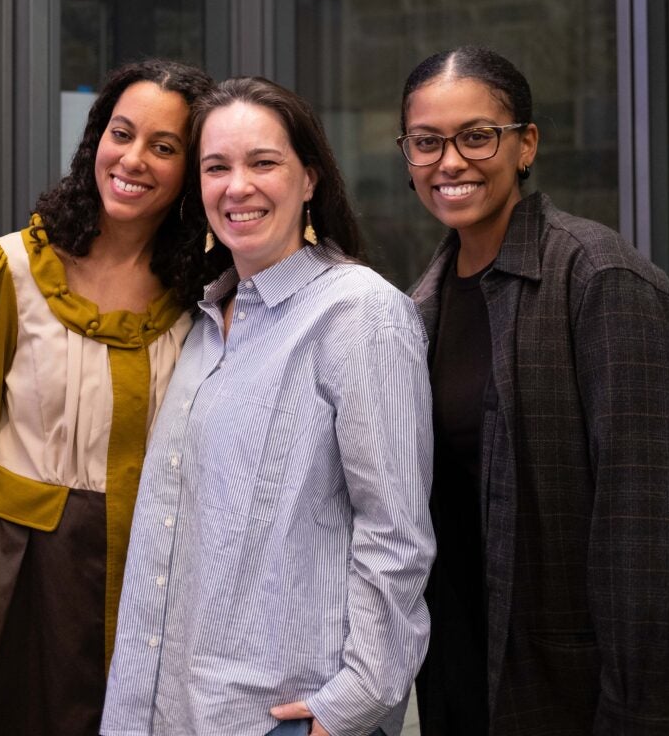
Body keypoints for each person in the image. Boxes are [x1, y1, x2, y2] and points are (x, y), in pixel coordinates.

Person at [101, 77, 435, 736]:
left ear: (309, 178)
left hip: (278, 714)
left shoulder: (359, 315)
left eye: (262, 163)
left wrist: (352, 703)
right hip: (164, 709)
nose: (236, 186)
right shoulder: (201, 321)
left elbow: (394, 534)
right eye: (215, 167)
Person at [398, 46, 669, 735]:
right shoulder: (416, 307)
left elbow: (657, 537)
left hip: (576, 696)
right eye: (426, 143)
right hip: (459, 681)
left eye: (476, 136)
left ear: (525, 145)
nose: (449, 162)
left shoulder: (599, 279)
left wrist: (642, 713)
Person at [0, 59, 214, 736]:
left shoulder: (204, 294)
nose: (133, 159)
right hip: (26, 587)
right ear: (96, 140)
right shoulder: (11, 268)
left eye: (164, 147)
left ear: (191, 171)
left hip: (159, 591)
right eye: (122, 133)